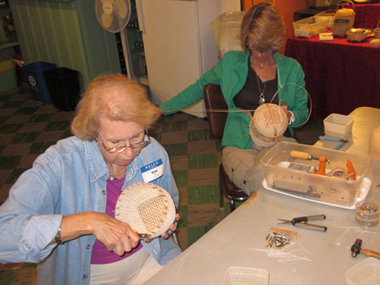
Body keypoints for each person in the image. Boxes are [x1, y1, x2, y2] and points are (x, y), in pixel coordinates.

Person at [0, 74, 181, 284]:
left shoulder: (153, 152)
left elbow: (169, 199)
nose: (129, 153)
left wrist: (158, 226)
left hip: (151, 259)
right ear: (93, 133)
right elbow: (4, 235)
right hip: (88, 276)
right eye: (115, 142)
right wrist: (87, 222)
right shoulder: (59, 162)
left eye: (137, 137)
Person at [160, 2, 309, 195]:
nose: (259, 55)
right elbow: (197, 88)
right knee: (267, 181)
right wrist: (162, 109)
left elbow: (303, 113)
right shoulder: (231, 62)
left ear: (276, 42)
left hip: (279, 141)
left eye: (265, 49)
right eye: (253, 46)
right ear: (246, 40)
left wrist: (290, 117)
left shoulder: (292, 68)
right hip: (238, 146)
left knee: (274, 179)